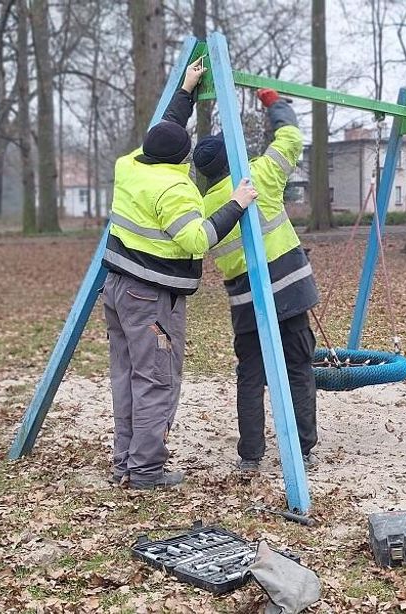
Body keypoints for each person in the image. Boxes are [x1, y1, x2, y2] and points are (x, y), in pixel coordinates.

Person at [104, 58, 259, 490]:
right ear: (182, 158)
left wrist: (186, 89)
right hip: (152, 298)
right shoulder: (173, 189)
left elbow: (166, 128)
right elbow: (196, 239)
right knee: (155, 382)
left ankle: (126, 464)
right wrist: (237, 203)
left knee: (126, 377)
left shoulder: (130, 165)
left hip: (116, 289)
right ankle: (147, 471)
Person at [191, 88, 320, 473]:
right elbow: (291, 138)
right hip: (290, 292)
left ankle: (251, 454)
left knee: (250, 375)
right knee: (299, 366)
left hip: (247, 302)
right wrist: (274, 105)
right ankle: (303, 447)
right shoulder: (259, 176)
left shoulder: (205, 205)